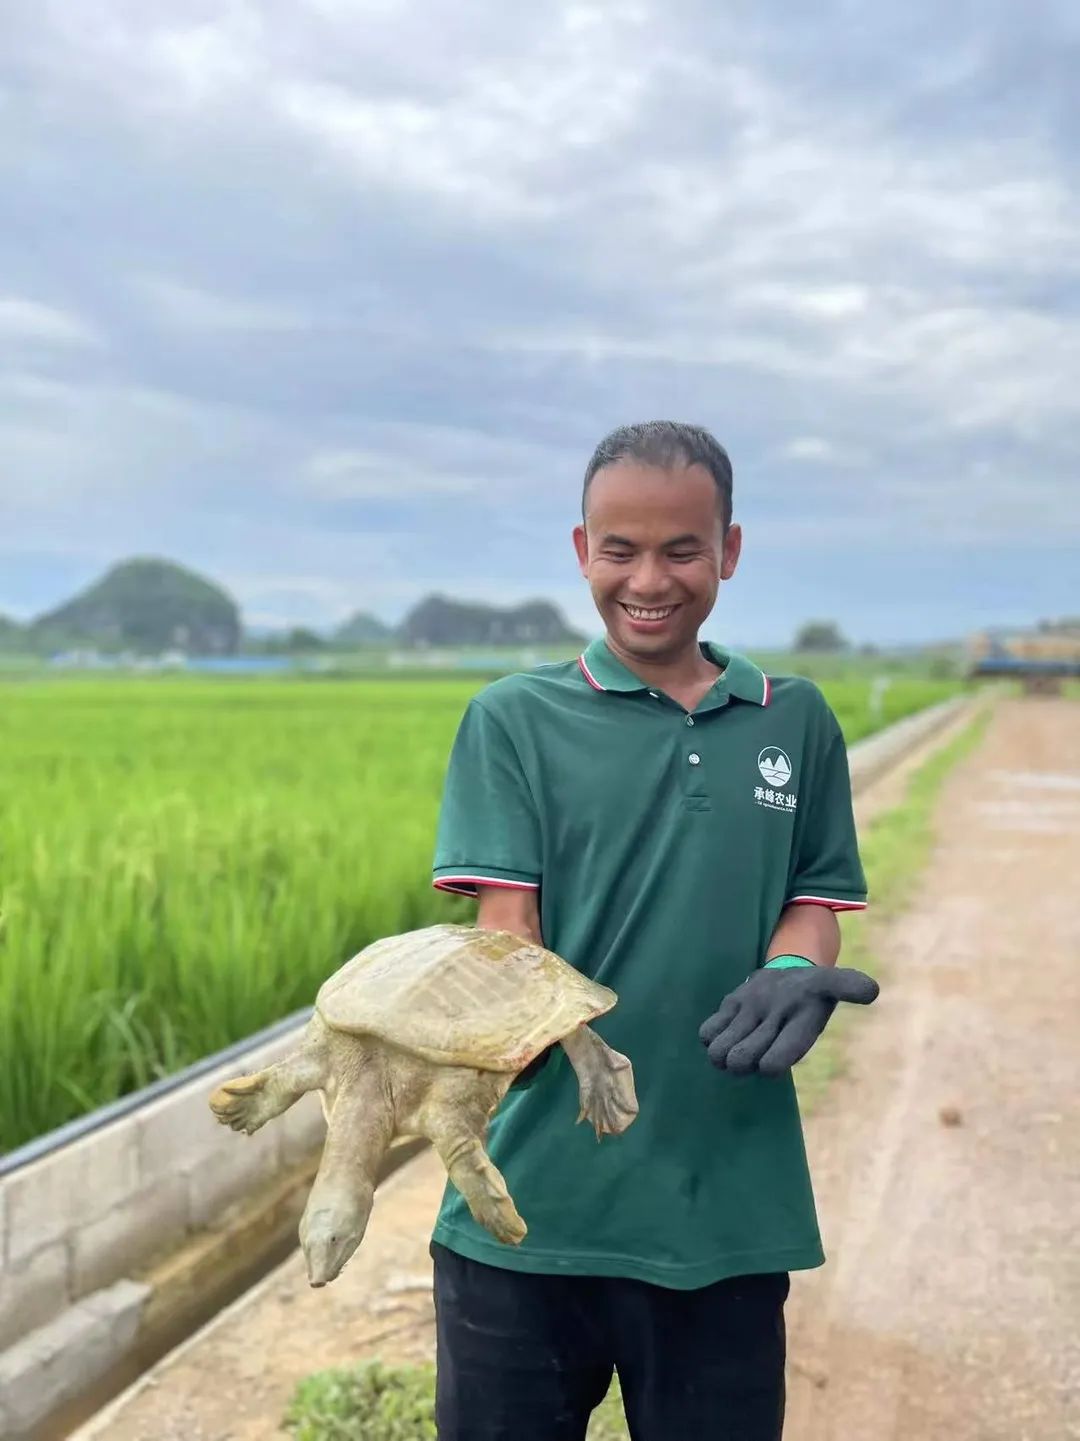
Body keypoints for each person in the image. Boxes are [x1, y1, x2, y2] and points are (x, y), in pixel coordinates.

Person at [428, 421, 878, 1440]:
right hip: (527, 1211)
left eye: (682, 549)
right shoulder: (515, 717)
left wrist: (796, 969)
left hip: (725, 1210)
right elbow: (512, 931)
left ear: (729, 550)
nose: (650, 578)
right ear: (582, 549)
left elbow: (812, 897)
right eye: (620, 549)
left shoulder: (792, 720)